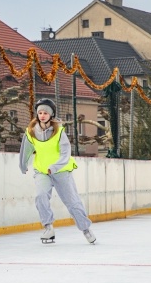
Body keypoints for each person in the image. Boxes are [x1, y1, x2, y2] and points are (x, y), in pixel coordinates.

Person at [19, 98, 96, 244]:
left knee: (72, 202)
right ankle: (48, 228)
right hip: (42, 171)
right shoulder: (31, 132)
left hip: (61, 171)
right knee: (41, 196)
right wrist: (23, 164)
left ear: (51, 115)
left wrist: (54, 167)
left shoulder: (59, 132)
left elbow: (65, 154)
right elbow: (26, 149)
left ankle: (86, 229)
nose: (42, 115)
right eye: (40, 112)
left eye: (45, 113)